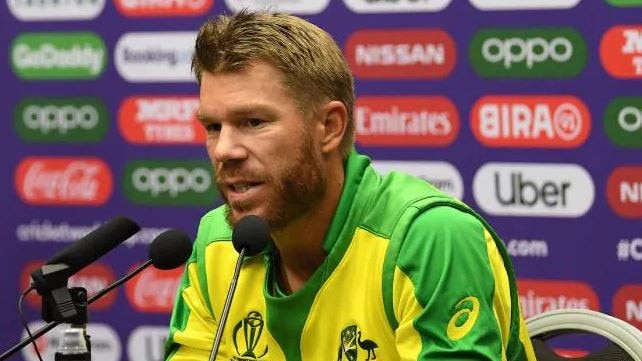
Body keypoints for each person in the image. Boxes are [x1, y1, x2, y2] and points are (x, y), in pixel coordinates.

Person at [164, 10, 536, 361]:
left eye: (253, 122)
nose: (225, 150)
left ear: (329, 127)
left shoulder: (430, 238)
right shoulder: (217, 242)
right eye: (213, 127)